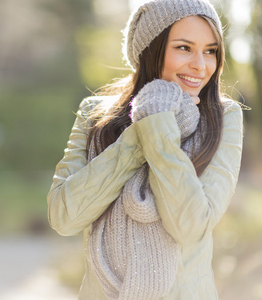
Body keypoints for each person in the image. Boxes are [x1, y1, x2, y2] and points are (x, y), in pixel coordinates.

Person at [47, 0, 244, 299]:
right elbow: (64, 216)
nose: (200, 66)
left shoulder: (223, 117)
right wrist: (143, 131)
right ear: (151, 48)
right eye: (183, 47)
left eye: (210, 50)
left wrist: (158, 125)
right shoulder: (96, 114)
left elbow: (190, 227)